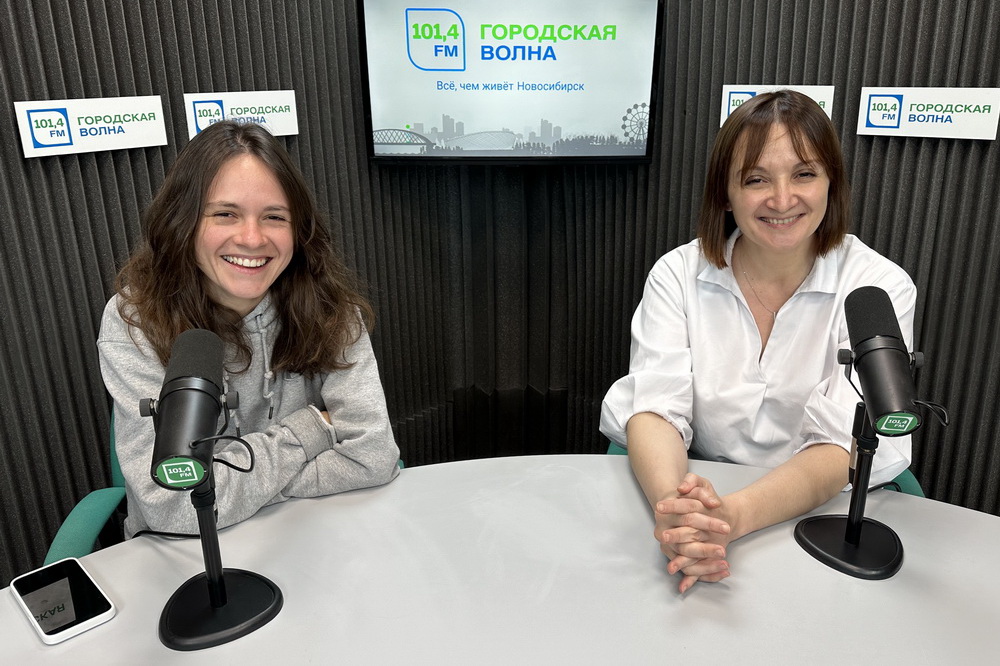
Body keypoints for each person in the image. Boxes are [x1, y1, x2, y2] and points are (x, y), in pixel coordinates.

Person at [600, 90, 916, 593]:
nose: (783, 199)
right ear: (725, 194)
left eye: (804, 174)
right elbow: (655, 409)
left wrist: (731, 517)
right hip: (699, 491)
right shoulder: (677, 274)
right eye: (756, 179)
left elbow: (843, 446)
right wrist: (679, 516)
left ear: (831, 183)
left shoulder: (878, 287)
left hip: (822, 514)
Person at [99, 120, 400, 538]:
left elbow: (373, 457)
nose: (253, 239)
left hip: (308, 534)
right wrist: (311, 428)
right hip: (183, 551)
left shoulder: (333, 309)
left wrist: (232, 489)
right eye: (226, 214)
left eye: (274, 217)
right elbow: (174, 508)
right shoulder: (136, 320)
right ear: (183, 221)